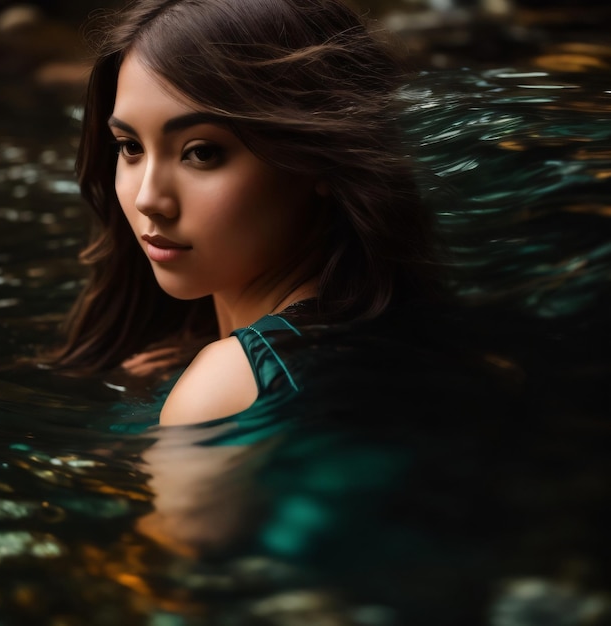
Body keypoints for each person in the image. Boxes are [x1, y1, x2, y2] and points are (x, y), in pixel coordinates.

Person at [46, 0, 443, 427]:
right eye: (130, 147)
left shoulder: (225, 389)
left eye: (201, 153)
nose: (148, 199)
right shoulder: (398, 332)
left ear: (319, 159)